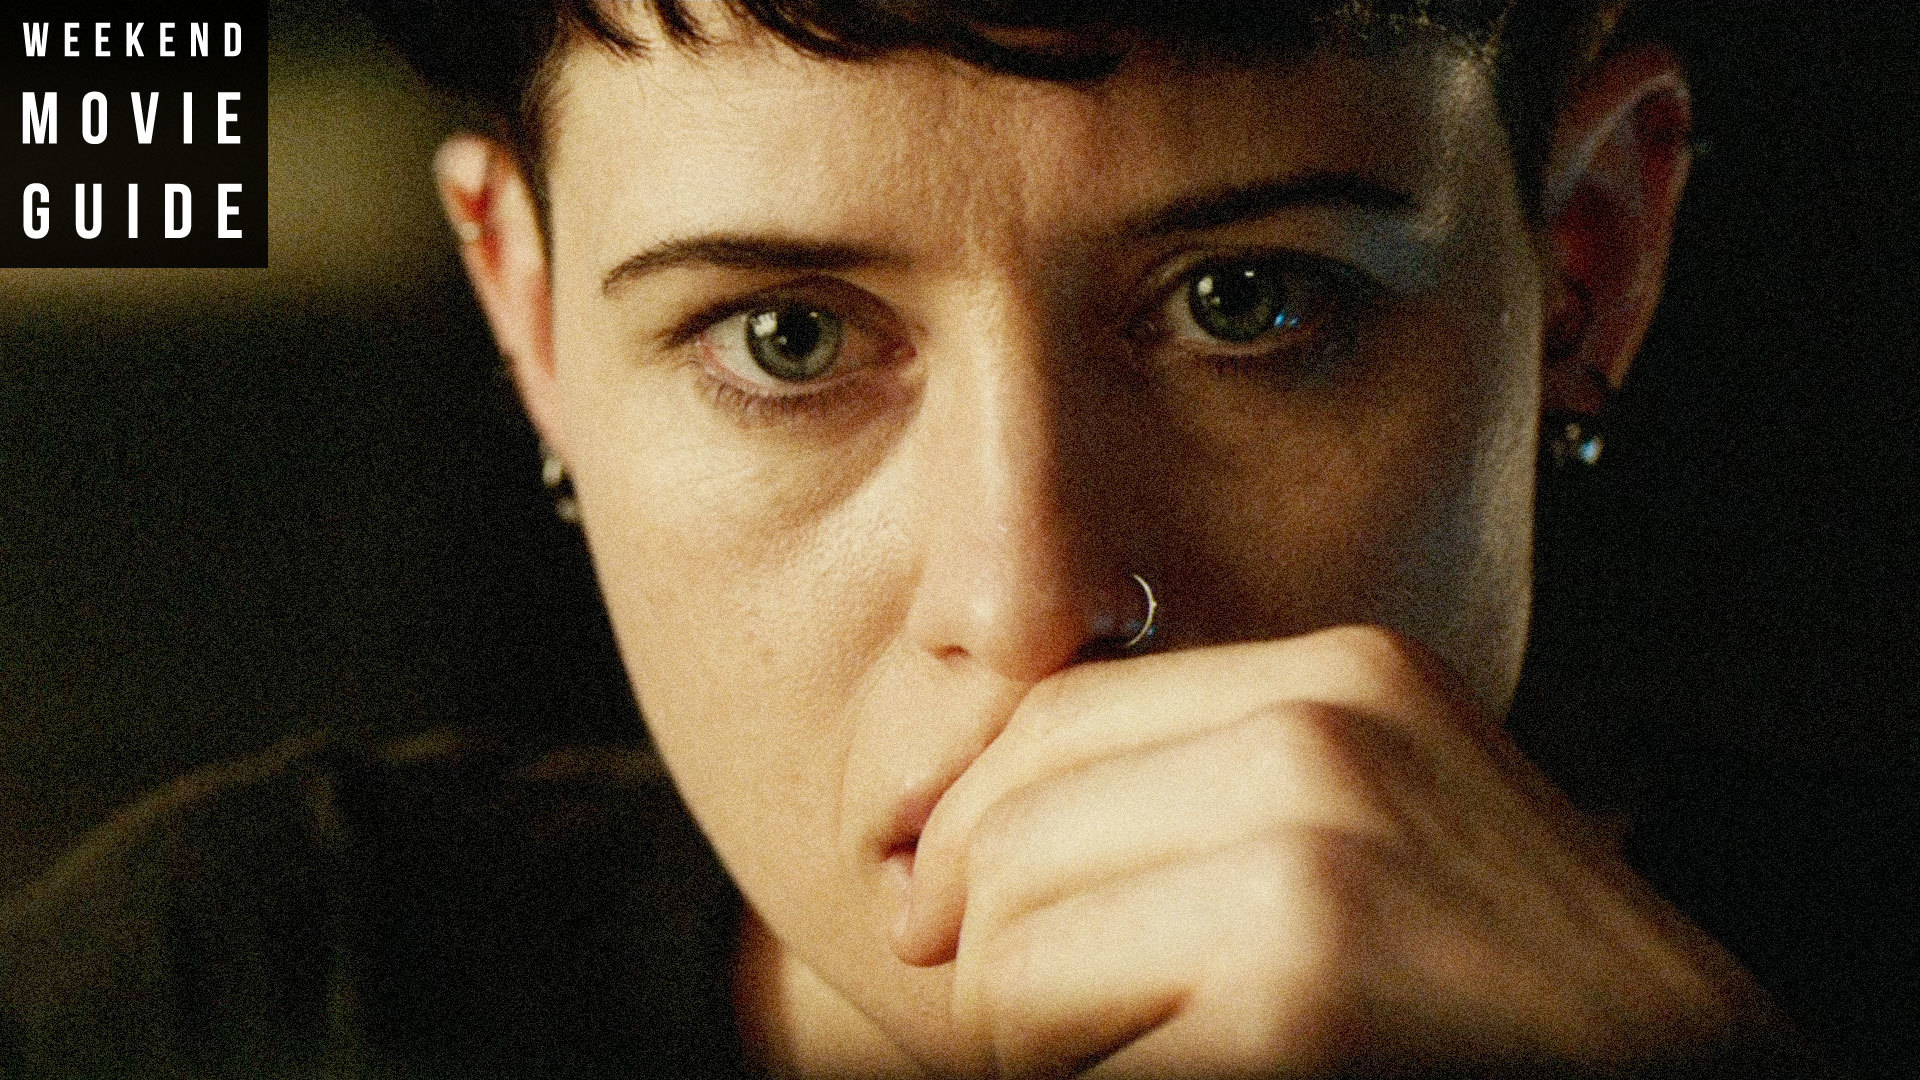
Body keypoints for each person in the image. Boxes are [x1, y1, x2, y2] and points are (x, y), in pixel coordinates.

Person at [0, 1, 1846, 1076]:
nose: (1027, 603)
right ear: (534, 324)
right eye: (787, 338)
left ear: (1584, 268)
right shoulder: (234, 1004)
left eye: (1248, 302)